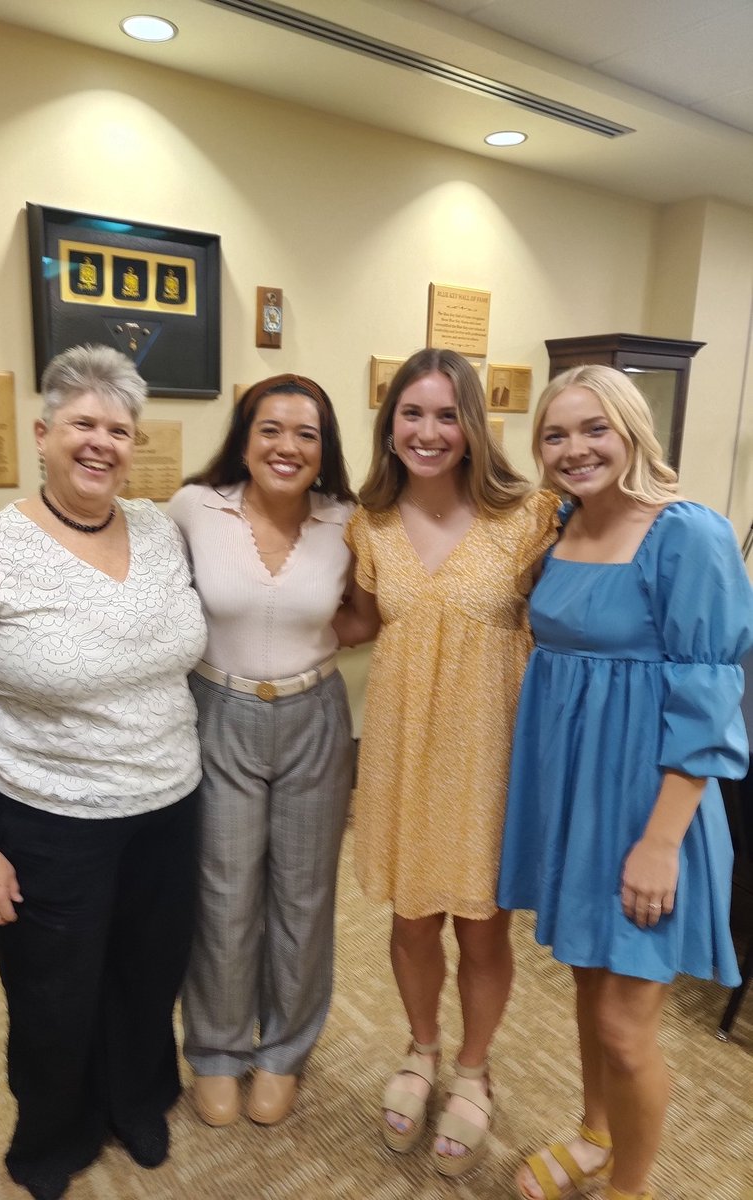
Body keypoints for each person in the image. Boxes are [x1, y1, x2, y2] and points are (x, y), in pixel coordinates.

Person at [0, 344, 207, 1200]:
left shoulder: (159, 530)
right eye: (82, 424)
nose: (101, 442)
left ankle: (136, 1101)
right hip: (46, 816)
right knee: (53, 994)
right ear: (42, 435)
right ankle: (52, 1135)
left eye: (119, 429)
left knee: (148, 973)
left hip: (168, 805)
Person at [498, 364, 753, 1200]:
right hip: (577, 796)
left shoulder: (687, 534)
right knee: (585, 983)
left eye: (594, 429)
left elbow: (710, 698)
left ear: (633, 431)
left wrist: (661, 843)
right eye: (555, 435)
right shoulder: (561, 525)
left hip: (652, 805)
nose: (574, 449)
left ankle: (629, 1189)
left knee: (623, 1025)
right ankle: (593, 1135)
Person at [333, 347, 559, 1176]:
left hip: (492, 752)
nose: (428, 432)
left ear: (473, 425)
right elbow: (360, 622)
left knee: (483, 926)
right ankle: (421, 1049)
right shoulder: (369, 524)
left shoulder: (530, 517)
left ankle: (474, 1069)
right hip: (402, 748)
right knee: (411, 919)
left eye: (446, 414)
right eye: (412, 413)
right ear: (389, 424)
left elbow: (571, 620)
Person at [169, 373, 356, 1128]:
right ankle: (216, 1050)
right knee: (223, 891)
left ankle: (283, 1050)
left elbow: (367, 615)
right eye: (270, 429)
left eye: (306, 434)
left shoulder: (348, 520)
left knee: (304, 894)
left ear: (324, 449)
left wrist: (306, 640)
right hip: (219, 711)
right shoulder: (194, 507)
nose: (287, 446)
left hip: (315, 716)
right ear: (244, 440)